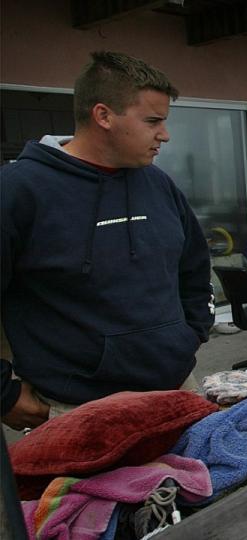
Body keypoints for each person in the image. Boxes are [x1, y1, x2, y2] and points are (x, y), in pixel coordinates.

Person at [1, 51, 214, 430]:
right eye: (153, 121)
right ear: (103, 116)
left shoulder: (158, 184)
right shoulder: (19, 191)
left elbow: (194, 267)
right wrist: (3, 394)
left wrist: (189, 335)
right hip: (78, 409)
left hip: (177, 387)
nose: (164, 134)